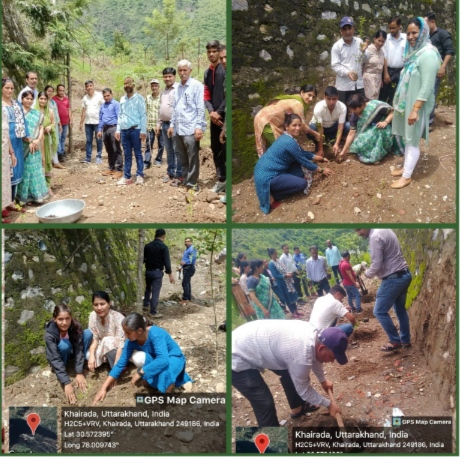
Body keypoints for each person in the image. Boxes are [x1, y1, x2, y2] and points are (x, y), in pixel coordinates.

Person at [232, 321, 346, 426]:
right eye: (332, 357)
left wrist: (323, 381)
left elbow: (316, 358)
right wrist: (329, 404)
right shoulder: (301, 356)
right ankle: (272, 447)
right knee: (264, 403)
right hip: (236, 355)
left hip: (255, 342)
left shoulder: (315, 335)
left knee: (290, 373)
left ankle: (297, 408)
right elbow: (304, 390)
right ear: (321, 348)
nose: (332, 361)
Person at [93, 313, 193, 404]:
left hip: (173, 358)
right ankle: (168, 380)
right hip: (155, 360)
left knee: (164, 375)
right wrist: (103, 388)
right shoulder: (130, 341)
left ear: (139, 330)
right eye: (125, 332)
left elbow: (163, 360)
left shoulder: (155, 333)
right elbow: (120, 363)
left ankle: (178, 379)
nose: (126, 336)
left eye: (128, 333)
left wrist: (141, 371)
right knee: (142, 362)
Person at [390, 17, 441, 189]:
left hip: (418, 105)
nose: (411, 37)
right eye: (409, 33)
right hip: (409, 102)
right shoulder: (414, 53)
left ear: (423, 32)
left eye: (414, 33)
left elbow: (427, 87)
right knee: (407, 137)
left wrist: (415, 110)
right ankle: (405, 167)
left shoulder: (428, 55)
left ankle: (407, 176)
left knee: (412, 141)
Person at [254, 113, 332, 214]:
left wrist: (318, 158)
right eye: (294, 125)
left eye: (299, 125)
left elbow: (301, 152)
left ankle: (276, 187)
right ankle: (271, 194)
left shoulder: (286, 137)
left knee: (300, 169)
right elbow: (303, 160)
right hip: (267, 177)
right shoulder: (289, 142)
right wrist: (322, 170)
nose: (298, 128)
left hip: (264, 171)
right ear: (287, 126)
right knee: (302, 183)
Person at [355, 229, 412, 351]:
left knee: (379, 311)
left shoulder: (375, 237)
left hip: (392, 278)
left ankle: (395, 341)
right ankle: (405, 340)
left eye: (359, 229)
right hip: (404, 274)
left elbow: (376, 265)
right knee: (401, 310)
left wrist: (366, 274)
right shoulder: (386, 229)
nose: (359, 233)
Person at [167, 60, 206, 192]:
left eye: (185, 70)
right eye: (180, 71)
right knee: (182, 156)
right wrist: (172, 125)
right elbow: (175, 108)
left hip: (191, 128)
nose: (182, 73)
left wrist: (199, 127)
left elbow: (200, 108)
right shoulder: (177, 87)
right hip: (179, 128)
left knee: (192, 157)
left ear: (190, 71)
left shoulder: (196, 86)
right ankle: (186, 180)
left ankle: (193, 184)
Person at [45, 304, 92, 404]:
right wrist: (66, 382)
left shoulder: (76, 327)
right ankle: (65, 366)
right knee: (64, 345)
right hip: (60, 356)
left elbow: (79, 349)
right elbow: (54, 358)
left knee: (88, 334)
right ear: (54, 319)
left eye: (67, 318)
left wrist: (79, 372)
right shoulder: (50, 334)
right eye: (60, 319)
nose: (64, 322)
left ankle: (78, 364)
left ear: (71, 318)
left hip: (72, 352)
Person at [254, 84, 320, 156]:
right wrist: (315, 133)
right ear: (302, 92)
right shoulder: (297, 104)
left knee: (275, 147)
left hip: (264, 119)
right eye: (309, 95)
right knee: (283, 147)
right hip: (265, 121)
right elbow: (302, 124)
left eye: (313, 97)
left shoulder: (295, 99)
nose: (311, 99)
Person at [338, 93, 396, 164]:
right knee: (359, 141)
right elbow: (351, 133)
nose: (353, 111)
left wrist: (385, 122)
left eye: (355, 109)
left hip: (382, 129)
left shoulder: (376, 106)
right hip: (367, 133)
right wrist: (343, 151)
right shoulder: (354, 116)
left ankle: (378, 154)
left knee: (376, 133)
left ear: (362, 105)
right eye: (351, 109)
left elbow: (393, 111)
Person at [16, 91, 49, 205]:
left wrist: (37, 140)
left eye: (31, 99)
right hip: (23, 146)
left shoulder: (37, 114)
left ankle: (36, 196)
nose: (29, 101)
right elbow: (19, 131)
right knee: (26, 171)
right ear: (22, 99)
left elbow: (40, 128)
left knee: (35, 171)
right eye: (27, 98)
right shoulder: (18, 114)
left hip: (35, 146)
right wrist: (29, 141)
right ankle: (24, 197)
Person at [2, 78, 28, 218]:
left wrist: (27, 136)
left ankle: (11, 202)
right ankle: (4, 204)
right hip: (5, 139)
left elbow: (23, 121)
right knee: (5, 174)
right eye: (7, 88)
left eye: (12, 88)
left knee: (16, 171)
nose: (10, 91)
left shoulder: (16, 104)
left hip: (16, 140)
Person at [424, 12, 455, 127]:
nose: (424, 27)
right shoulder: (426, 36)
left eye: (426, 23)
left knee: (431, 94)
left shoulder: (442, 34)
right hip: (424, 69)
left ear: (432, 21)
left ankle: (429, 122)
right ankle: (422, 120)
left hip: (436, 70)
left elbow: (449, 51)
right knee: (424, 94)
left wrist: (443, 67)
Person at [204, 40, 226, 194]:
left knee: (226, 148)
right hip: (214, 118)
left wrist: (220, 111)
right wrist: (211, 112)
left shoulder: (224, 70)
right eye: (209, 52)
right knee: (215, 147)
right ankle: (221, 179)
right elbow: (206, 95)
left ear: (219, 52)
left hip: (224, 117)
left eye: (214, 51)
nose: (212, 54)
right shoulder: (207, 72)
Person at [331, 17, 369, 104]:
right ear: (341, 31)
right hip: (344, 87)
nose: (348, 32)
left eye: (349, 28)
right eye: (344, 29)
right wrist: (347, 73)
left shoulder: (359, 42)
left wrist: (363, 52)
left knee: (361, 111)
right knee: (345, 111)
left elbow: (365, 60)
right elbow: (335, 65)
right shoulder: (337, 46)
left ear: (353, 29)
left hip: (358, 85)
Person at [87, 291, 126, 371]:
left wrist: (115, 371)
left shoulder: (118, 317)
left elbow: (120, 345)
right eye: (96, 305)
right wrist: (91, 356)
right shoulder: (92, 316)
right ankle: (108, 360)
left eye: (102, 304)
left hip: (119, 349)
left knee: (107, 341)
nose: (99, 308)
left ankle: (118, 366)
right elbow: (95, 338)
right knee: (88, 355)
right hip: (102, 345)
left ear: (109, 303)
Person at [308, 86, 350, 158]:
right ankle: (320, 144)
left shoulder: (342, 107)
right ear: (324, 97)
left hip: (333, 127)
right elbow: (320, 128)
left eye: (334, 99)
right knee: (310, 129)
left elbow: (340, 126)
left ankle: (332, 141)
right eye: (329, 99)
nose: (331, 102)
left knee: (348, 126)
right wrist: (320, 149)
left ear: (338, 97)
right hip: (319, 128)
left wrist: (337, 144)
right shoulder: (319, 107)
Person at [158, 67, 182, 185]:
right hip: (164, 124)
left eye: (170, 76)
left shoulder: (178, 89)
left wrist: (173, 124)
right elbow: (160, 108)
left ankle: (179, 174)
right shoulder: (164, 91)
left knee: (177, 150)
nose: (167, 78)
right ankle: (170, 171)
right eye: (165, 76)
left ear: (174, 76)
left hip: (175, 125)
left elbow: (178, 108)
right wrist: (159, 123)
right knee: (169, 150)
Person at [143, 229, 175, 317]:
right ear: (163, 236)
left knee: (148, 288)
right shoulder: (163, 247)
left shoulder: (147, 246)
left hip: (148, 271)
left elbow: (142, 259)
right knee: (155, 292)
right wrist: (170, 275)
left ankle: (145, 304)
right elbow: (167, 262)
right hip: (157, 273)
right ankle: (153, 312)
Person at [379, 16, 407, 105]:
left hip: (401, 71)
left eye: (394, 28)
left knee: (396, 95)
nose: (391, 30)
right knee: (383, 95)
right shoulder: (386, 38)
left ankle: (392, 117)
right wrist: (386, 73)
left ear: (399, 26)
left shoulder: (406, 38)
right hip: (388, 70)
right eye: (390, 28)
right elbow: (384, 55)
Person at [97, 88, 123, 179]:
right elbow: (100, 118)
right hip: (105, 129)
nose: (106, 97)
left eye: (108, 95)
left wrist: (118, 130)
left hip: (114, 128)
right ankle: (111, 168)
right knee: (109, 150)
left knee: (116, 149)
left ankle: (119, 169)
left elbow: (119, 117)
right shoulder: (103, 106)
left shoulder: (116, 104)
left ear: (111, 94)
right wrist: (99, 130)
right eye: (104, 96)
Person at [35, 92, 57, 194]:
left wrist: (49, 127)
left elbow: (53, 123)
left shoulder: (50, 111)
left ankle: (48, 186)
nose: (43, 101)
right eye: (41, 99)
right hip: (36, 142)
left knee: (47, 161)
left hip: (46, 141)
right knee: (38, 163)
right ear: (37, 99)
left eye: (45, 99)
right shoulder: (34, 111)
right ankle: (39, 187)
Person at [268, 248, 300, 317]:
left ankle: (296, 310)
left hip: (288, 280)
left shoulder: (278, 261)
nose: (276, 255)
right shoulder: (271, 264)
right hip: (282, 283)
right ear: (271, 255)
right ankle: (293, 312)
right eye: (275, 254)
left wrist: (289, 273)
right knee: (288, 297)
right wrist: (285, 275)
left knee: (293, 295)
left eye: (276, 253)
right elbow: (275, 275)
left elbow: (285, 269)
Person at [79, 80, 104, 164]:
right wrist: (81, 123)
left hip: (97, 122)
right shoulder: (85, 98)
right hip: (88, 122)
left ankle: (99, 156)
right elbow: (83, 110)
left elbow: (104, 107)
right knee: (88, 140)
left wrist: (104, 121)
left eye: (90, 86)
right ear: (85, 88)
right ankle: (88, 157)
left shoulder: (100, 96)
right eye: (87, 86)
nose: (89, 88)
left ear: (93, 86)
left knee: (99, 139)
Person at [2, 107, 17, 223]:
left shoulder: (4, 113)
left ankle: (4, 205)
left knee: (5, 180)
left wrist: (11, 153)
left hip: (4, 153)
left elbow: (7, 136)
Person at [145, 79, 164, 169]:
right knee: (149, 144)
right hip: (149, 125)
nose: (154, 87)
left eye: (156, 86)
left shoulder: (162, 97)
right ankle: (147, 161)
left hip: (160, 125)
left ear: (158, 87)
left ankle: (158, 160)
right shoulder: (148, 97)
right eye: (152, 86)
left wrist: (159, 124)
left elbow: (163, 111)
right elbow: (145, 110)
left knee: (161, 143)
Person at [363, 31, 387, 100]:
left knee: (375, 101)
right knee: (369, 100)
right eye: (379, 40)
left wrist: (380, 79)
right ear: (374, 39)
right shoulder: (368, 50)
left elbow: (380, 66)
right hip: (368, 78)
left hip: (378, 80)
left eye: (383, 41)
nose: (380, 43)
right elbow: (361, 64)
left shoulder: (382, 51)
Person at [45, 85, 65, 170]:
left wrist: (59, 124)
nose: (50, 93)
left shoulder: (53, 102)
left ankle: (55, 162)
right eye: (48, 91)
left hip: (55, 125)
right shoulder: (44, 101)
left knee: (54, 143)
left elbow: (56, 114)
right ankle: (48, 162)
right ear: (45, 91)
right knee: (48, 143)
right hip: (47, 125)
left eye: (51, 91)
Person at [52, 84, 72, 162]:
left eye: (63, 90)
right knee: (58, 138)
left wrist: (71, 119)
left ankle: (62, 151)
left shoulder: (66, 99)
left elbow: (69, 109)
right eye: (60, 90)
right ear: (57, 90)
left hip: (65, 122)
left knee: (63, 138)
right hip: (57, 123)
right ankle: (59, 153)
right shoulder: (53, 100)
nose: (61, 92)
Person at [180, 237, 197, 305]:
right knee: (187, 282)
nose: (186, 243)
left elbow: (193, 258)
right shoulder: (187, 249)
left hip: (189, 267)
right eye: (185, 241)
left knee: (185, 283)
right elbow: (185, 259)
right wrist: (181, 266)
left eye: (188, 241)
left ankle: (185, 298)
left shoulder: (192, 248)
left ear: (191, 242)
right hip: (186, 267)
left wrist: (185, 263)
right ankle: (188, 298)